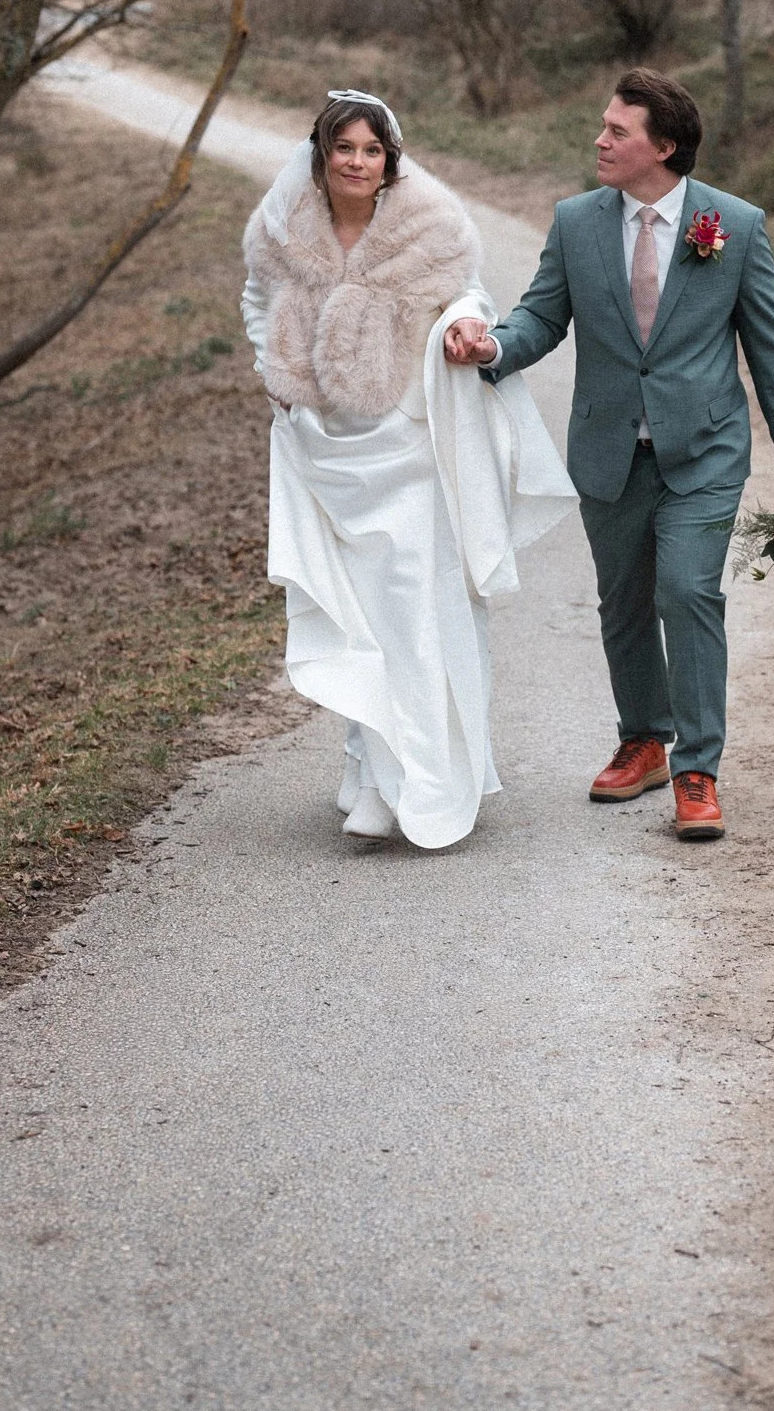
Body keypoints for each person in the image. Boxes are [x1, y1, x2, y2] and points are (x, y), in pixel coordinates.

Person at [444, 68, 774, 843]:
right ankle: (643, 740)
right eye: (603, 126)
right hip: (609, 448)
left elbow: (771, 352)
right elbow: (540, 318)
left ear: (664, 146)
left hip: (704, 448)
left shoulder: (735, 226)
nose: (599, 140)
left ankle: (696, 770)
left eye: (617, 131)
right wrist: (490, 347)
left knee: (686, 593)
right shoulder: (577, 222)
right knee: (623, 604)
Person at [242, 91, 574, 849]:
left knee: (412, 613)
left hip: (404, 446)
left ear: (389, 159)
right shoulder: (281, 228)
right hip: (324, 444)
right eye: (344, 148)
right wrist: (275, 374)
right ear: (320, 152)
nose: (357, 162)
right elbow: (257, 299)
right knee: (354, 615)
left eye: (372, 150)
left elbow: (465, 290)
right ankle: (369, 769)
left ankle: (421, 781)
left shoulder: (430, 223)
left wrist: (464, 319)